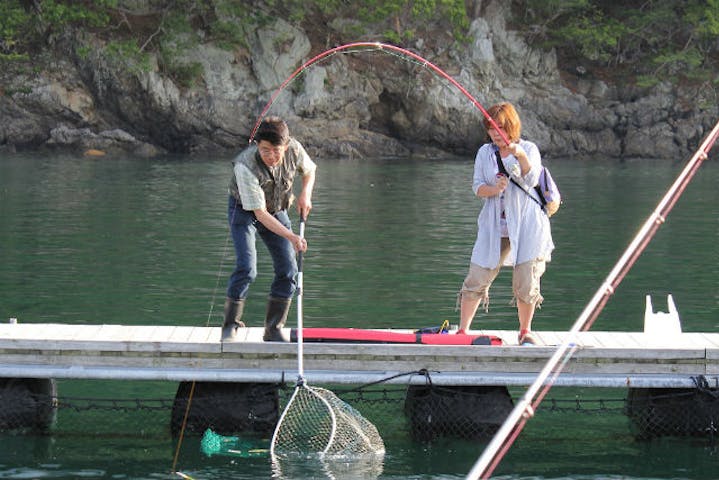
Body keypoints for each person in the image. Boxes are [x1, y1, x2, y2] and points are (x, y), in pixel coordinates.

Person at [457, 102, 554, 345]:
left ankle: (525, 331)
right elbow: (477, 186)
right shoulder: (484, 153)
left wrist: (519, 155)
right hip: (494, 225)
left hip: (527, 225)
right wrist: (494, 188)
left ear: (511, 126)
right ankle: (462, 331)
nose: (495, 133)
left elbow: (532, 179)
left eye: (500, 127)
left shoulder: (529, 148)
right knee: (477, 275)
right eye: (491, 128)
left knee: (526, 279)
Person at [222, 117, 316, 342]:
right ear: (257, 145)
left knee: (288, 270)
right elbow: (259, 213)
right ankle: (230, 325)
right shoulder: (245, 165)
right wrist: (291, 236)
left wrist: (305, 194)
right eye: (265, 150)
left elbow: (310, 170)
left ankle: (273, 329)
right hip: (244, 210)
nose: (271, 156)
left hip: (276, 208)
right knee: (247, 267)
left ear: (286, 146)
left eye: (276, 151)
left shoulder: (294, 150)